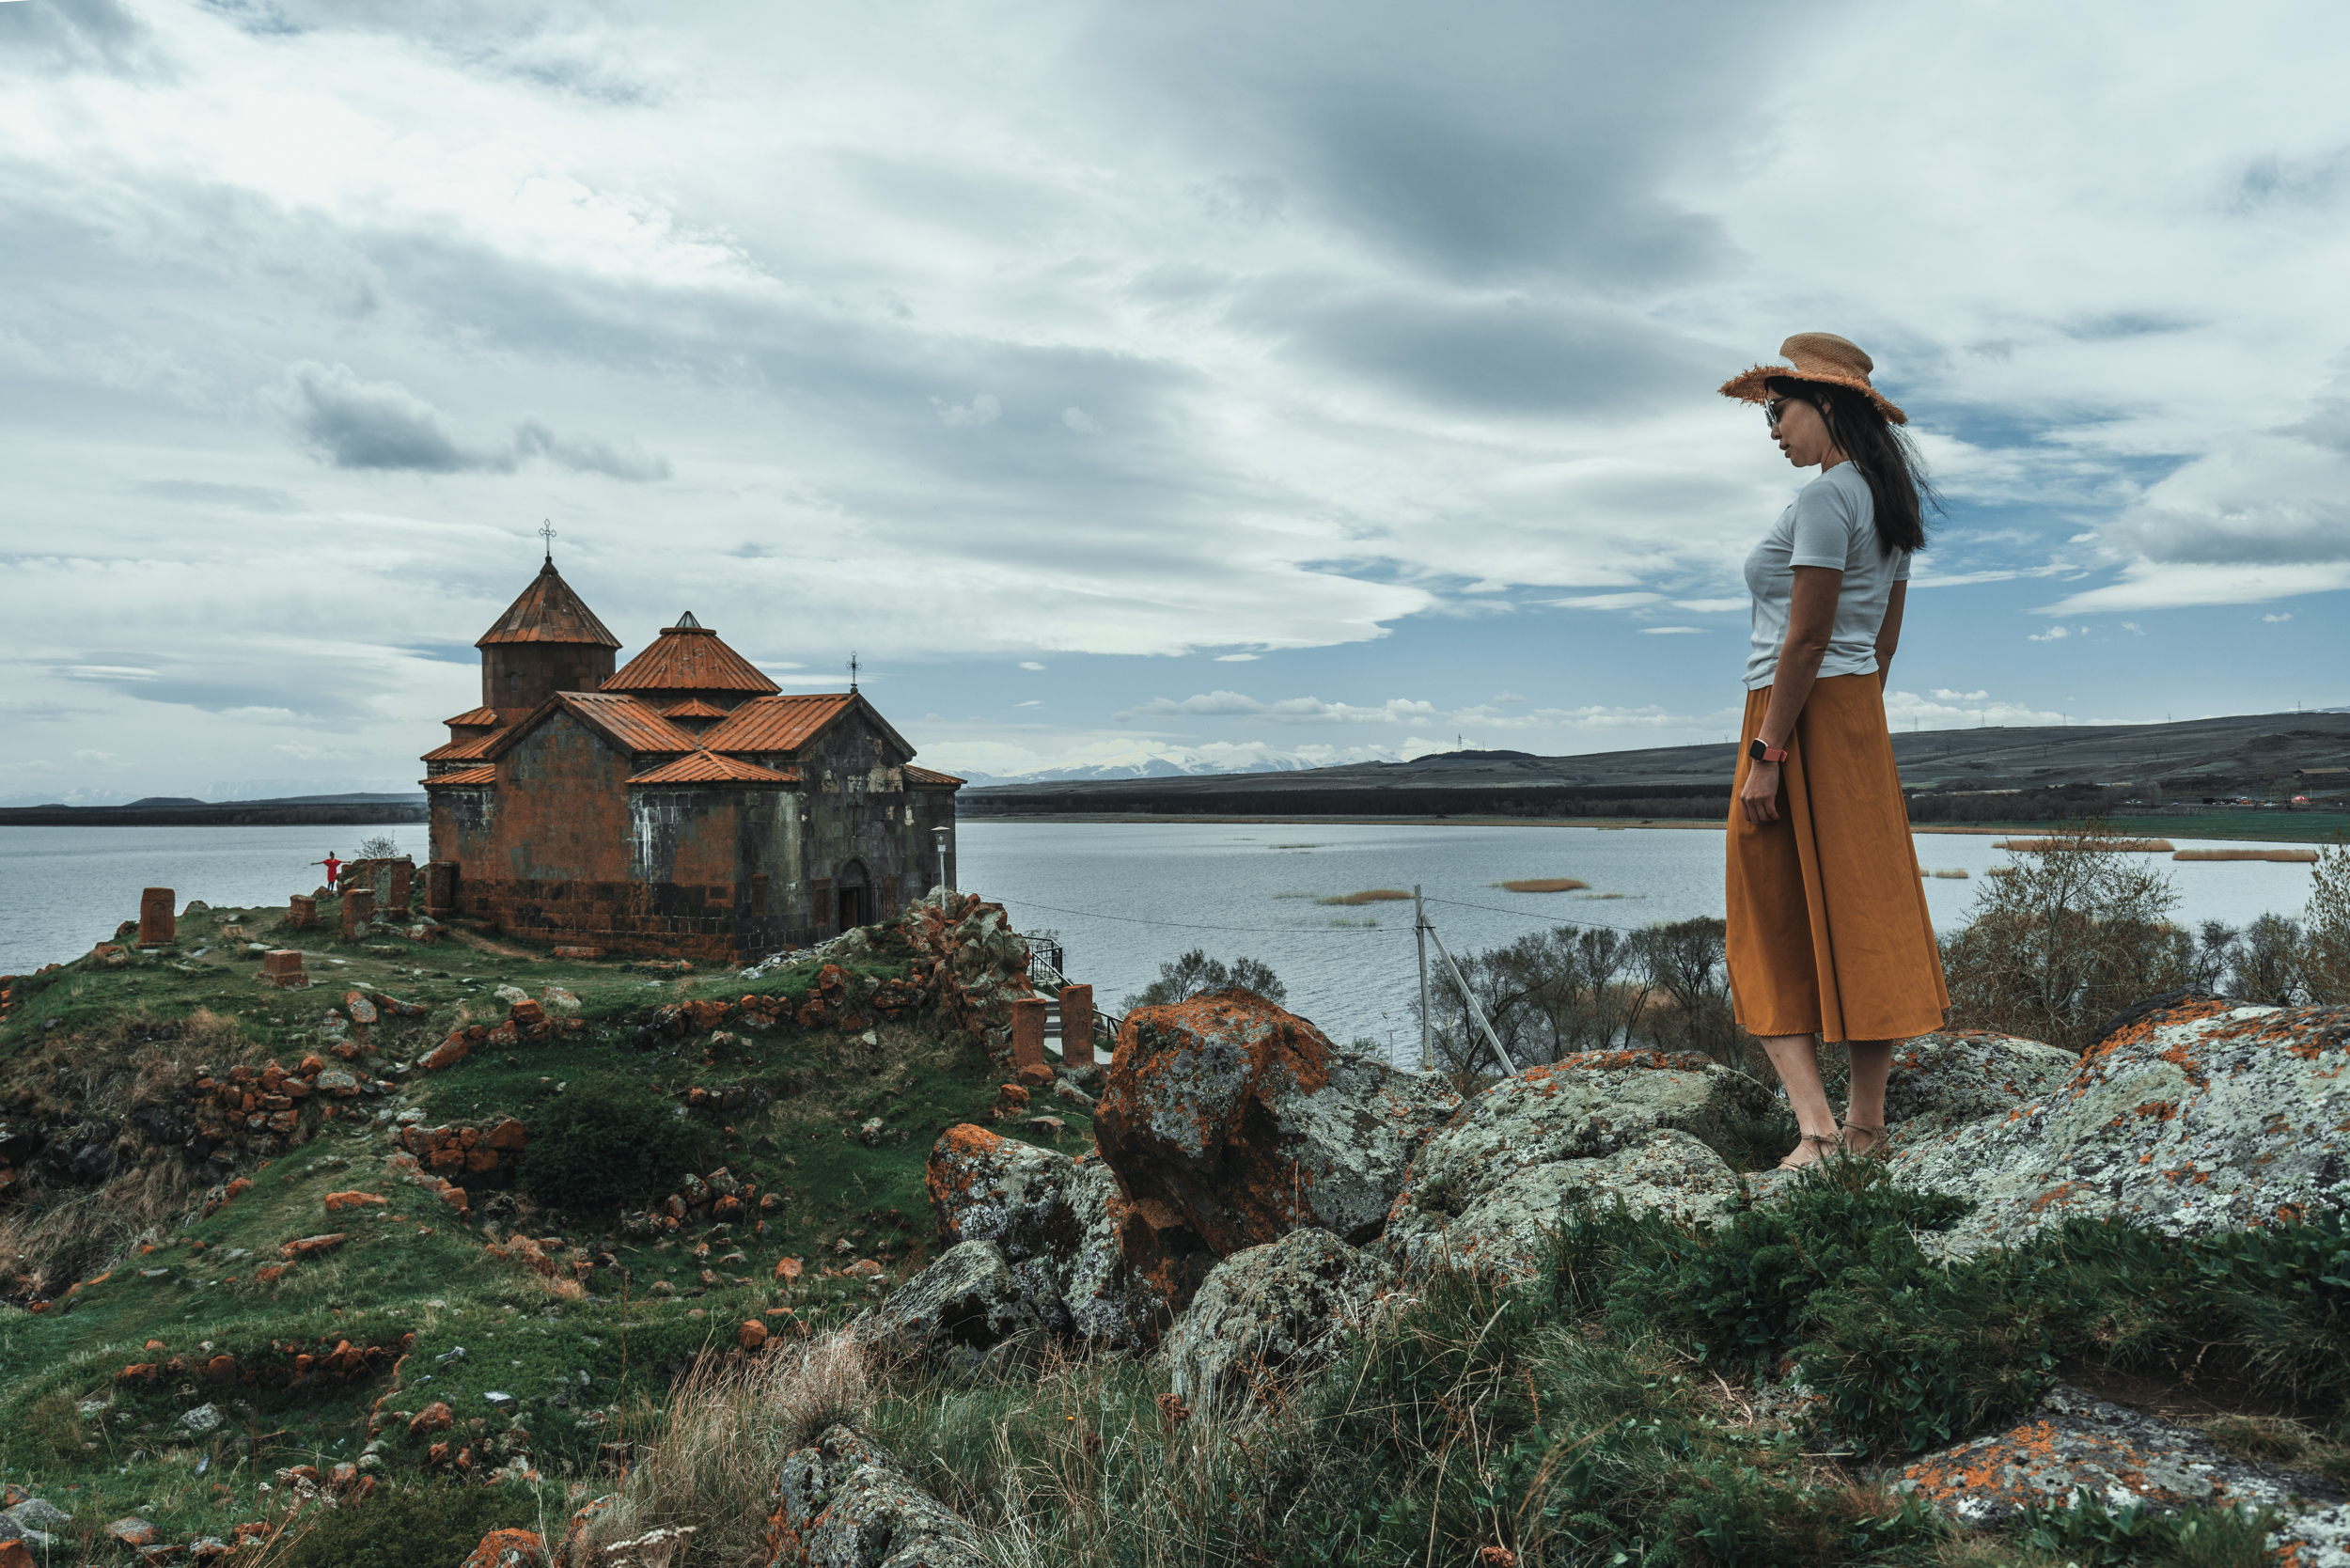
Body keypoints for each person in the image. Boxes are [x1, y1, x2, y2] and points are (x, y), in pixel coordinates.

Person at [1716, 334, 1950, 1169]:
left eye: (1780, 412)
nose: (1773, 429)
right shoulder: (1887, 504)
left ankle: (1816, 1131)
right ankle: (1867, 1128)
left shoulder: (1823, 500)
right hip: (1854, 718)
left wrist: (1770, 750)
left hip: (1793, 713)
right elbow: (1882, 640)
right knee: (1863, 914)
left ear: (1827, 406)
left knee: (1765, 914)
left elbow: (1806, 635)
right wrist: (1852, 732)